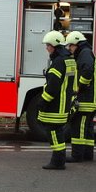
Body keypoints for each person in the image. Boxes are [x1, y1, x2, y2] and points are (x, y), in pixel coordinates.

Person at [38, 30, 77, 170]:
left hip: (56, 105)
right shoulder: (69, 59)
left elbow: (53, 86)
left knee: (54, 132)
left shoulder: (58, 62)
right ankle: (59, 160)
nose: (46, 48)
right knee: (58, 132)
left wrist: (43, 101)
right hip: (64, 103)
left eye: (48, 45)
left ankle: (58, 161)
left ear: (54, 45)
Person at [64, 30, 96, 162]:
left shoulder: (84, 53)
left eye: (71, 46)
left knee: (78, 128)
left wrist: (80, 86)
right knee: (88, 130)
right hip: (90, 101)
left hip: (85, 101)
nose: (70, 49)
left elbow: (87, 70)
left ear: (77, 44)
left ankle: (77, 156)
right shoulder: (87, 52)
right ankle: (88, 155)